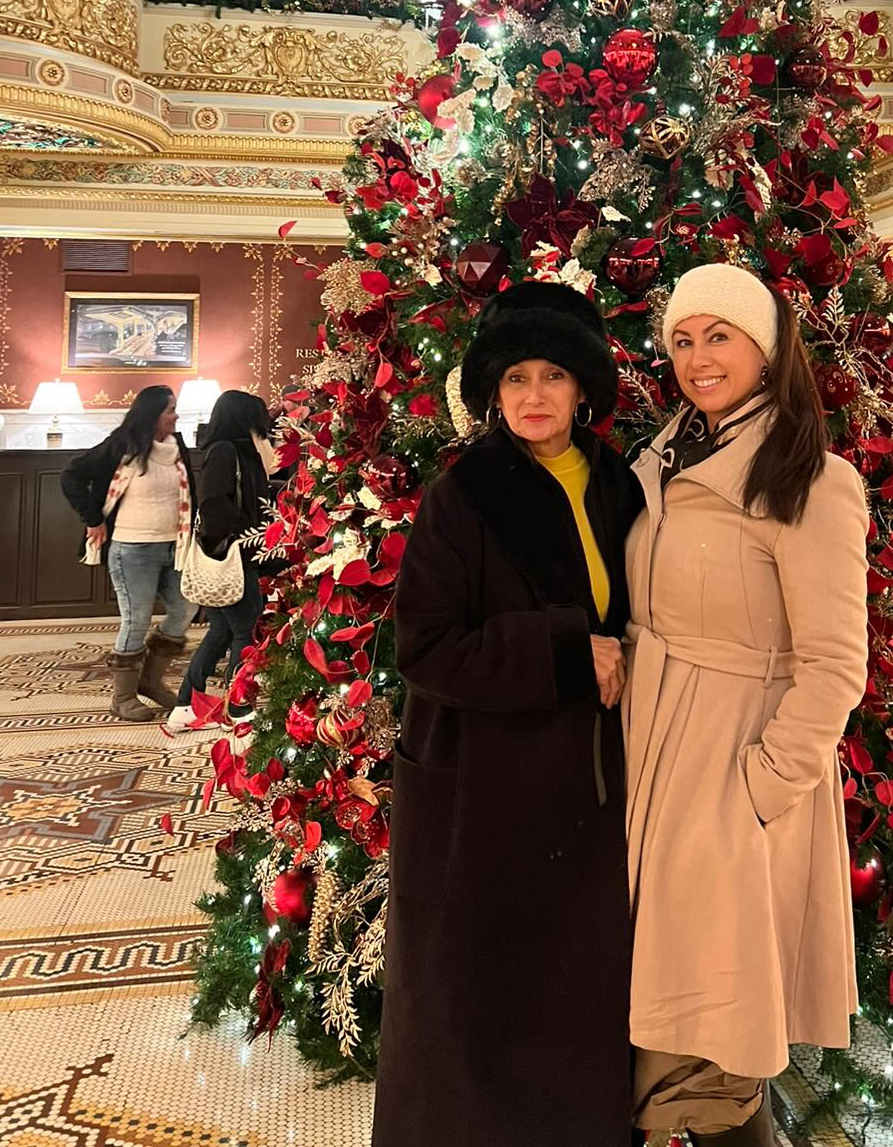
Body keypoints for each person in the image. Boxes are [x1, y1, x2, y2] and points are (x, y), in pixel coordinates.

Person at [373, 281, 640, 1147]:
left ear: (583, 390)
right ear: (492, 389)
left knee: (575, 999)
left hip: (591, 788)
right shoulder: (464, 496)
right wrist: (566, 651)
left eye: (553, 376)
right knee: (477, 1007)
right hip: (484, 795)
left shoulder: (621, 486)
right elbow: (428, 648)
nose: (533, 396)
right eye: (516, 377)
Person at [624, 264, 868, 1146]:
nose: (698, 358)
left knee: (712, 1031)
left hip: (732, 763)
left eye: (718, 336)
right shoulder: (664, 454)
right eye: (683, 340)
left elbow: (837, 663)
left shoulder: (811, 476)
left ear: (764, 351)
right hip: (650, 748)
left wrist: (763, 787)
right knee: (659, 999)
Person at [61, 383, 194, 721]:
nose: (175, 416)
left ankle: (150, 680)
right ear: (152, 414)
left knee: (184, 609)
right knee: (137, 620)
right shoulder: (122, 444)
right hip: (132, 549)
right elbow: (72, 475)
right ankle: (122, 698)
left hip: (174, 547)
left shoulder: (178, 447)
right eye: (170, 410)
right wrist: (93, 519)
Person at [162, 391, 279, 739]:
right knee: (245, 631)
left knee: (221, 632)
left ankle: (185, 705)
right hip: (232, 557)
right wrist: (252, 533)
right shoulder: (226, 451)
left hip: (235, 555)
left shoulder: (241, 451)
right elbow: (214, 505)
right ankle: (240, 708)